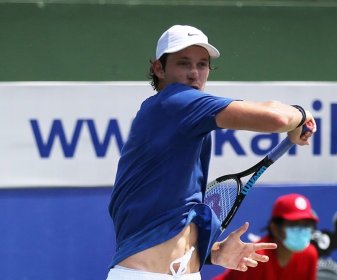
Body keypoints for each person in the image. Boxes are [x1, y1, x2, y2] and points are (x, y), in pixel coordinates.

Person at [106, 24, 316, 280]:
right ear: (158, 68)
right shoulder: (177, 102)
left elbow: (166, 219)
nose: (195, 74)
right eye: (183, 63)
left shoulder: (178, 126)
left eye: (202, 64)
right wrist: (302, 114)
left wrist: (214, 253)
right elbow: (276, 118)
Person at [213, 193, 319, 280]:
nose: (302, 230)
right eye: (294, 224)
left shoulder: (310, 254)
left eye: (306, 224)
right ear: (275, 228)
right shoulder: (256, 257)